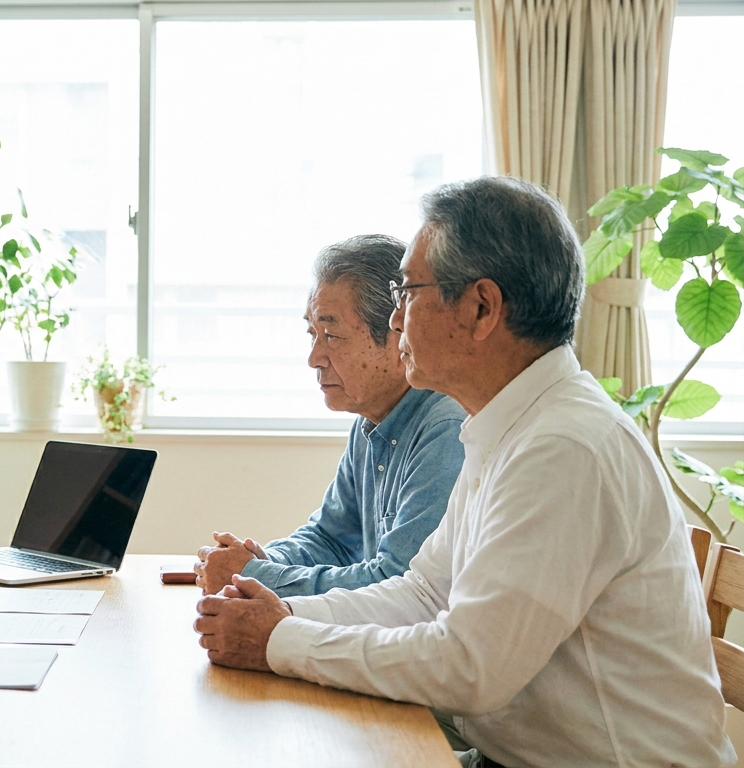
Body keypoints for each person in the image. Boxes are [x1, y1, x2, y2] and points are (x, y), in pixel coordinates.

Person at [193, 176, 734, 767]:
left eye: (407, 292)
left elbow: (471, 667)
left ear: (481, 308)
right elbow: (425, 593)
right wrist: (282, 613)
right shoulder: (510, 424)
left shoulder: (565, 447)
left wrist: (279, 639)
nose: (396, 320)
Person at [195, 235, 465, 598]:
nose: (314, 357)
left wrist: (256, 575)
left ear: (398, 334)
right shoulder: (370, 421)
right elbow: (331, 538)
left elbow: (398, 583)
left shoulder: (446, 430)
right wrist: (261, 560)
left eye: (332, 335)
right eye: (312, 334)